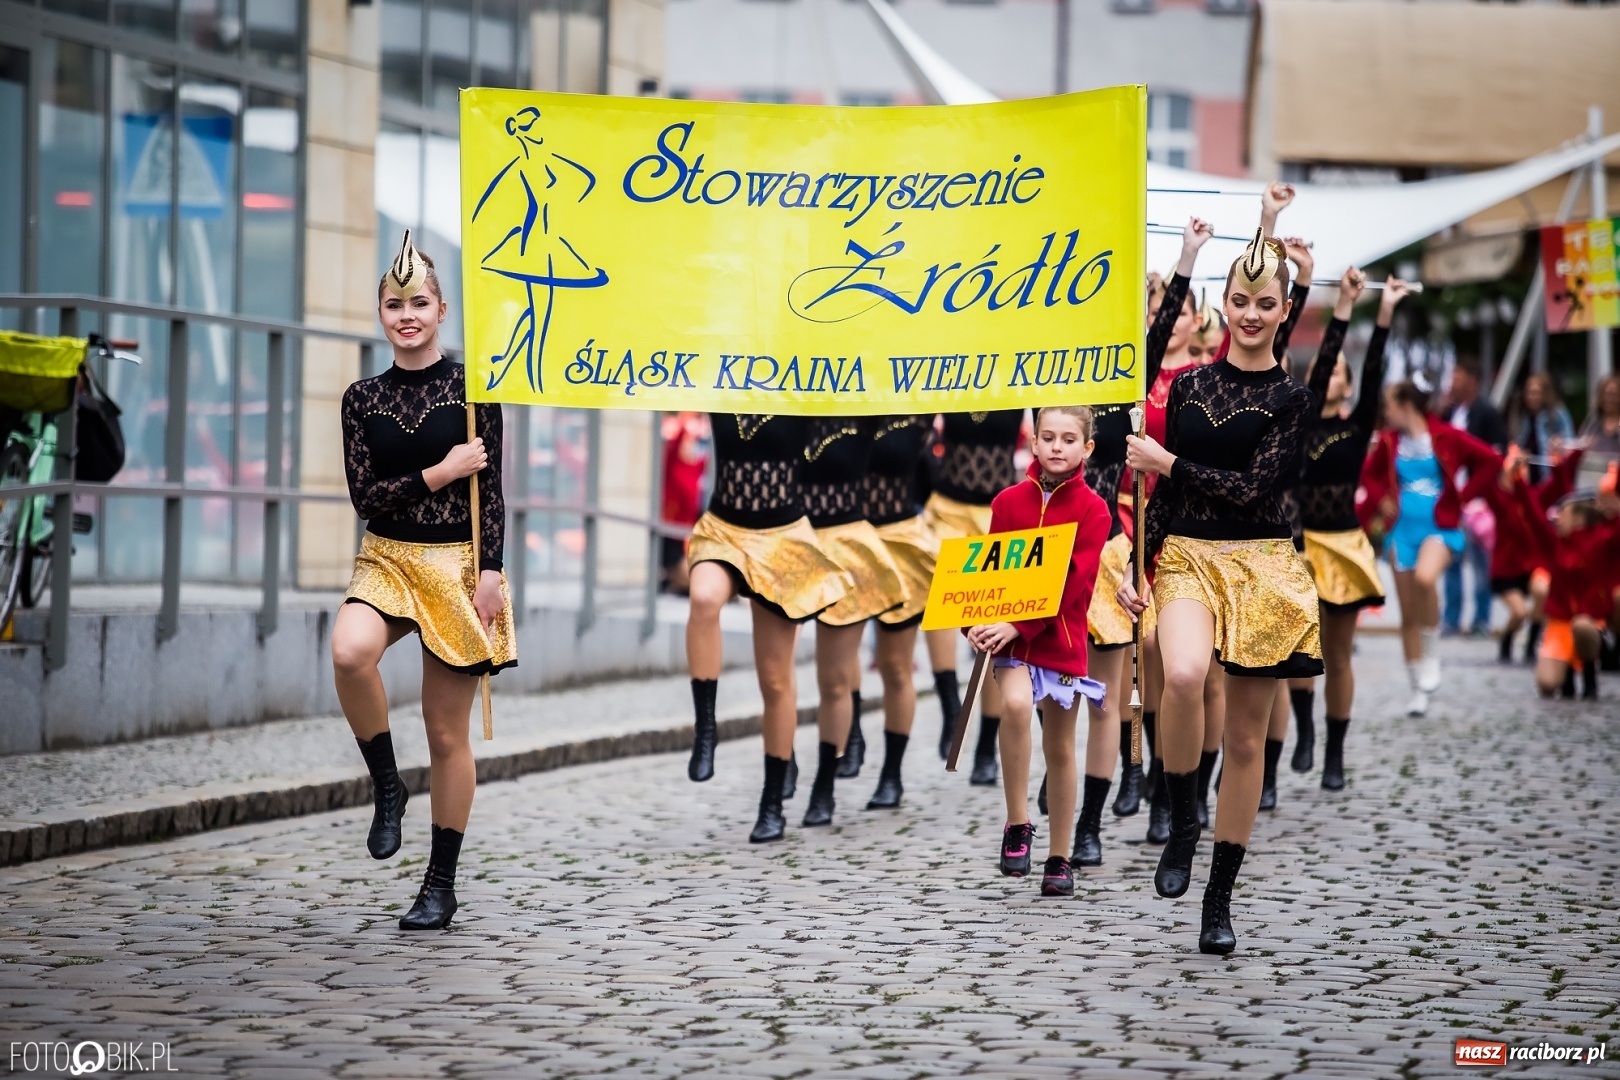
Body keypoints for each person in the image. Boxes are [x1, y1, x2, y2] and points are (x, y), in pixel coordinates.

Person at [1118, 228, 1324, 955]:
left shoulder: (1293, 400)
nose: (1250, 314)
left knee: (1243, 739)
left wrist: (1168, 463)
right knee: (1180, 674)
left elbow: (1253, 489)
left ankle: (1219, 896)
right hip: (1188, 557)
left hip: (1263, 565)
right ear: (1225, 305)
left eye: (1264, 304)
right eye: (1239, 301)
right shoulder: (1189, 386)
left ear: (1284, 309)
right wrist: (1137, 566)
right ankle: (1182, 817)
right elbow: (1169, 501)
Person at [334, 232, 517, 931]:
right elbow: (367, 498)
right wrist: (441, 471)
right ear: (380, 314)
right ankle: (387, 785)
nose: (406, 315)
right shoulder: (361, 398)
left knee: (445, 734)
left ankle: (440, 884)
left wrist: (491, 572)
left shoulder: (474, 390)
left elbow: (491, 492)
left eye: (418, 304)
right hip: (387, 558)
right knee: (349, 652)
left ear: (442, 310)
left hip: (457, 566)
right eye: (393, 305)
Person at [1077, 217, 1213, 858]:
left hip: (1110, 544)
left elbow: (1158, 328)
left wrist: (1186, 256)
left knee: (1127, 675)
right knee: (1046, 695)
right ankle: (1047, 813)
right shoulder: (1046, 377)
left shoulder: (1129, 374)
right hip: (1045, 545)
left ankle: (1106, 814)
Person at [966, 406, 1111, 898]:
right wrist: (974, 621)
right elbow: (988, 571)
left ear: (1087, 448)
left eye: (1068, 439)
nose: (1056, 447)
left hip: (1061, 643)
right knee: (1013, 705)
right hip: (1010, 643)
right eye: (1047, 437)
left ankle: (1060, 857)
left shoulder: (1094, 510)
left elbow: (1074, 585)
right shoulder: (1007, 502)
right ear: (1032, 442)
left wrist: (1020, 622)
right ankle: (1017, 822)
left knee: (1060, 748)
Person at [684, 413, 849, 842]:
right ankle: (706, 729)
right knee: (704, 599)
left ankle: (772, 802)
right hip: (723, 530)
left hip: (782, 539)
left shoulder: (802, 389)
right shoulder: (720, 384)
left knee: (775, 680)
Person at [1292, 268, 1410, 790]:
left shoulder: (1358, 426)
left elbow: (1376, 367)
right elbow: (1319, 369)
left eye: (1339, 369)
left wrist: (1384, 313)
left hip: (1343, 547)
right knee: (1298, 650)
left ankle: (1334, 753)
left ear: (1350, 383)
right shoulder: (1298, 423)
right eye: (1325, 367)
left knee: (1337, 656)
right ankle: (1303, 732)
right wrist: (1341, 306)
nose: (1329, 373)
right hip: (1300, 547)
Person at [1359, 380, 1502, 717]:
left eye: (1389, 405)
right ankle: (1418, 688)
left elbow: (1491, 461)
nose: (1385, 412)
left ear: (1406, 405)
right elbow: (1368, 475)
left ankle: (1432, 653)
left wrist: (1463, 497)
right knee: (1408, 614)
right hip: (1401, 531)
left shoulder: (1446, 436)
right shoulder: (1389, 441)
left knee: (1426, 578)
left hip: (1440, 528)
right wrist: (1380, 499)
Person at [801, 417, 907, 827]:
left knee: (842, 677)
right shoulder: (786, 406)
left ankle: (827, 784)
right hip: (787, 544)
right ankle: (781, 769)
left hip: (853, 549)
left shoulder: (867, 411)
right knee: (779, 677)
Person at [922, 410, 1025, 781]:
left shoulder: (1018, 385)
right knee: (938, 598)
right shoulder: (947, 381)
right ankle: (951, 707)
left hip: (999, 513)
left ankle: (985, 747)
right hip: (948, 509)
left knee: (993, 628)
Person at [862, 415, 938, 810]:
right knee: (835, 670)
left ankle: (891, 774)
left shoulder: (917, 410)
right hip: (842, 539)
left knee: (895, 666)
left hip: (900, 543)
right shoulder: (837, 402)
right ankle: (836, 752)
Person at [1441, 356, 1509, 637]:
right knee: (1451, 560)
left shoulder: (1488, 413)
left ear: (1472, 381)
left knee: (1481, 563)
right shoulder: (1448, 413)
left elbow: (1497, 454)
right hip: (1452, 497)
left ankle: (1482, 618)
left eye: (1457, 377)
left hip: (1478, 501)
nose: (1452, 383)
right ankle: (1451, 618)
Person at [1511, 372, 1575, 484]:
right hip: (1527, 477)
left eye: (1535, 393)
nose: (1531, 397)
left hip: (1549, 477)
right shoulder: (1523, 416)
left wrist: (1558, 445)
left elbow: (1570, 443)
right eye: (1528, 392)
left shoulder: (1557, 414)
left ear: (1545, 394)